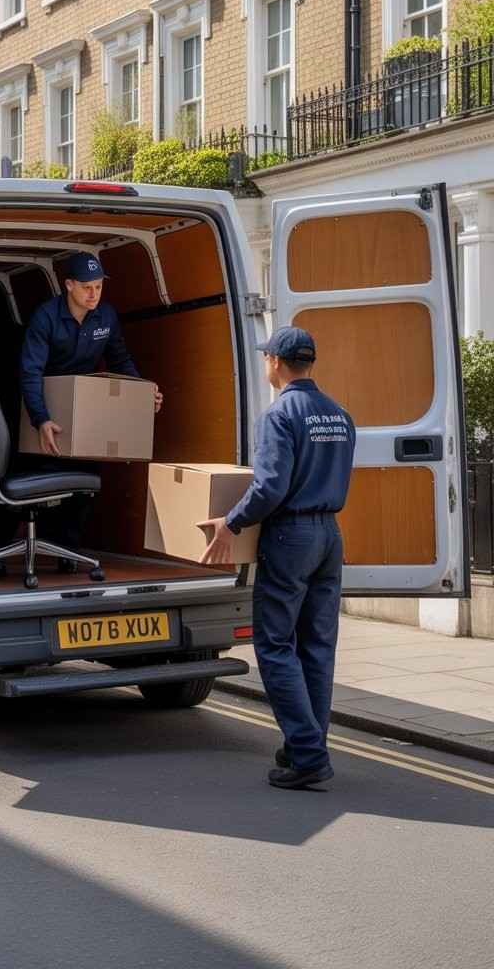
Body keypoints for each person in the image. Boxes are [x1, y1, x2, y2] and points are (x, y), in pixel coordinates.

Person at [199, 327, 355, 791]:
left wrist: (231, 521)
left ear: (276, 362)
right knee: (317, 646)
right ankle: (306, 745)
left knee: (274, 644)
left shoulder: (279, 415)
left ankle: (307, 752)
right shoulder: (339, 414)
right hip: (329, 534)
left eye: (267, 357)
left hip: (291, 537)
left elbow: (269, 488)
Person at [17, 251, 163, 550]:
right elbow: (30, 371)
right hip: (44, 408)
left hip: (83, 410)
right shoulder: (46, 317)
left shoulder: (105, 316)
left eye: (98, 286)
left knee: (84, 487)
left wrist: (143, 393)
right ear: (69, 285)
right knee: (27, 485)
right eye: (87, 287)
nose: (93, 293)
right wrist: (40, 419)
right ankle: (1, 551)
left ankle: (69, 555)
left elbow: (121, 360)